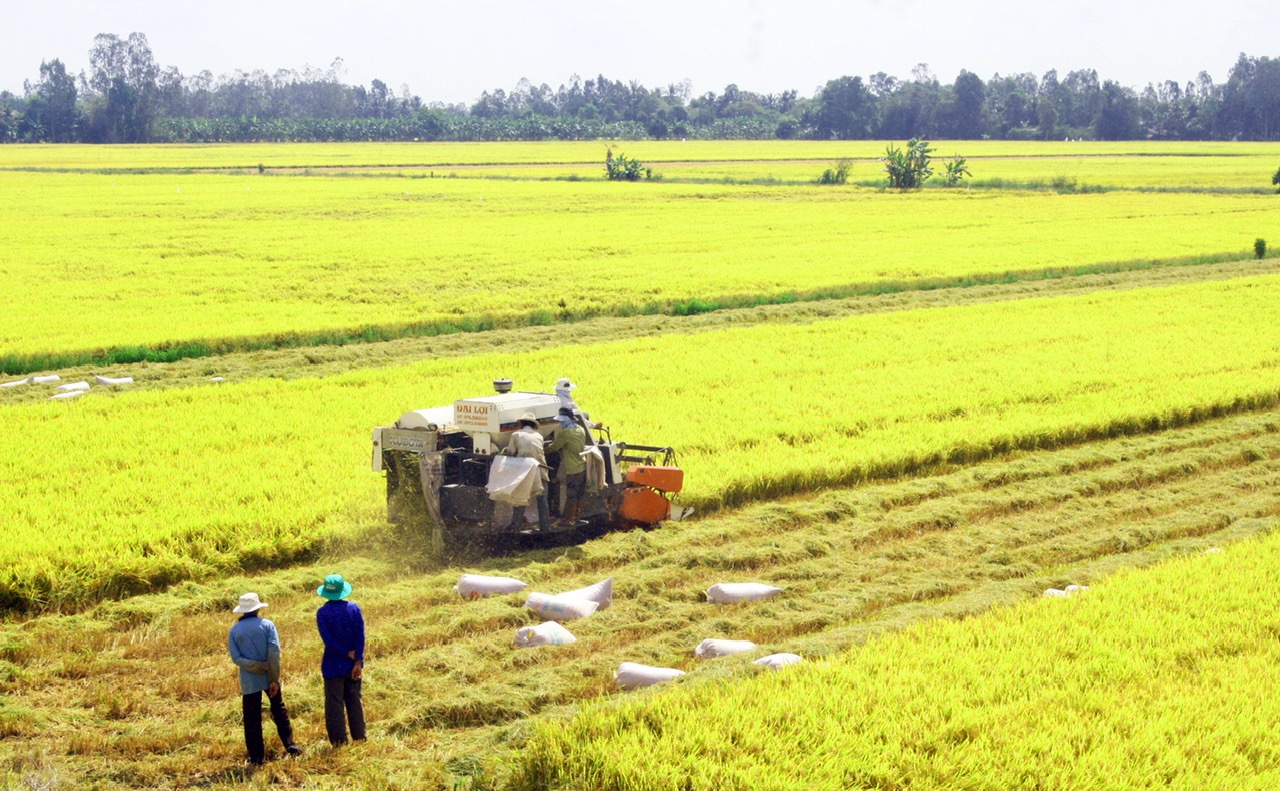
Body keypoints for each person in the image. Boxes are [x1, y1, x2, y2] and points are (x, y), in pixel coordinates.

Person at [227, 592, 302, 765]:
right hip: (269, 675)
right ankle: (290, 744)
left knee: (252, 717)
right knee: (279, 709)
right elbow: (274, 653)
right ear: (257, 609)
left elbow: (236, 658)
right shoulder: (267, 625)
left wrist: (255, 666)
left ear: (242, 611)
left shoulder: (234, 631)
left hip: (249, 679)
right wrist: (273, 678)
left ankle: (257, 756)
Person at [316, 574, 367, 746]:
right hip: (352, 665)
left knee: (334, 705)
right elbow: (360, 636)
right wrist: (357, 660)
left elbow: (328, 641)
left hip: (332, 665)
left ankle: (339, 742)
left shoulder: (322, 613)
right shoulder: (354, 608)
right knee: (354, 701)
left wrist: (345, 653)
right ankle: (360, 738)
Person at [504, 412, 550, 530]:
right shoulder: (539, 436)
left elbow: (510, 453)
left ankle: (516, 525)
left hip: (525, 469)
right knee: (542, 499)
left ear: (521, 424)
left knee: (521, 497)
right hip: (541, 469)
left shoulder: (516, 434)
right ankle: (545, 526)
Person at [545, 407, 587, 526]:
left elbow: (554, 447)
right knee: (579, 494)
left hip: (572, 468)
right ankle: (576, 517)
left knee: (571, 494)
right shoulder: (581, 429)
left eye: (562, 421)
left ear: (566, 419)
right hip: (582, 465)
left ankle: (567, 519)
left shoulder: (566, 432)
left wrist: (541, 451)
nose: (561, 423)